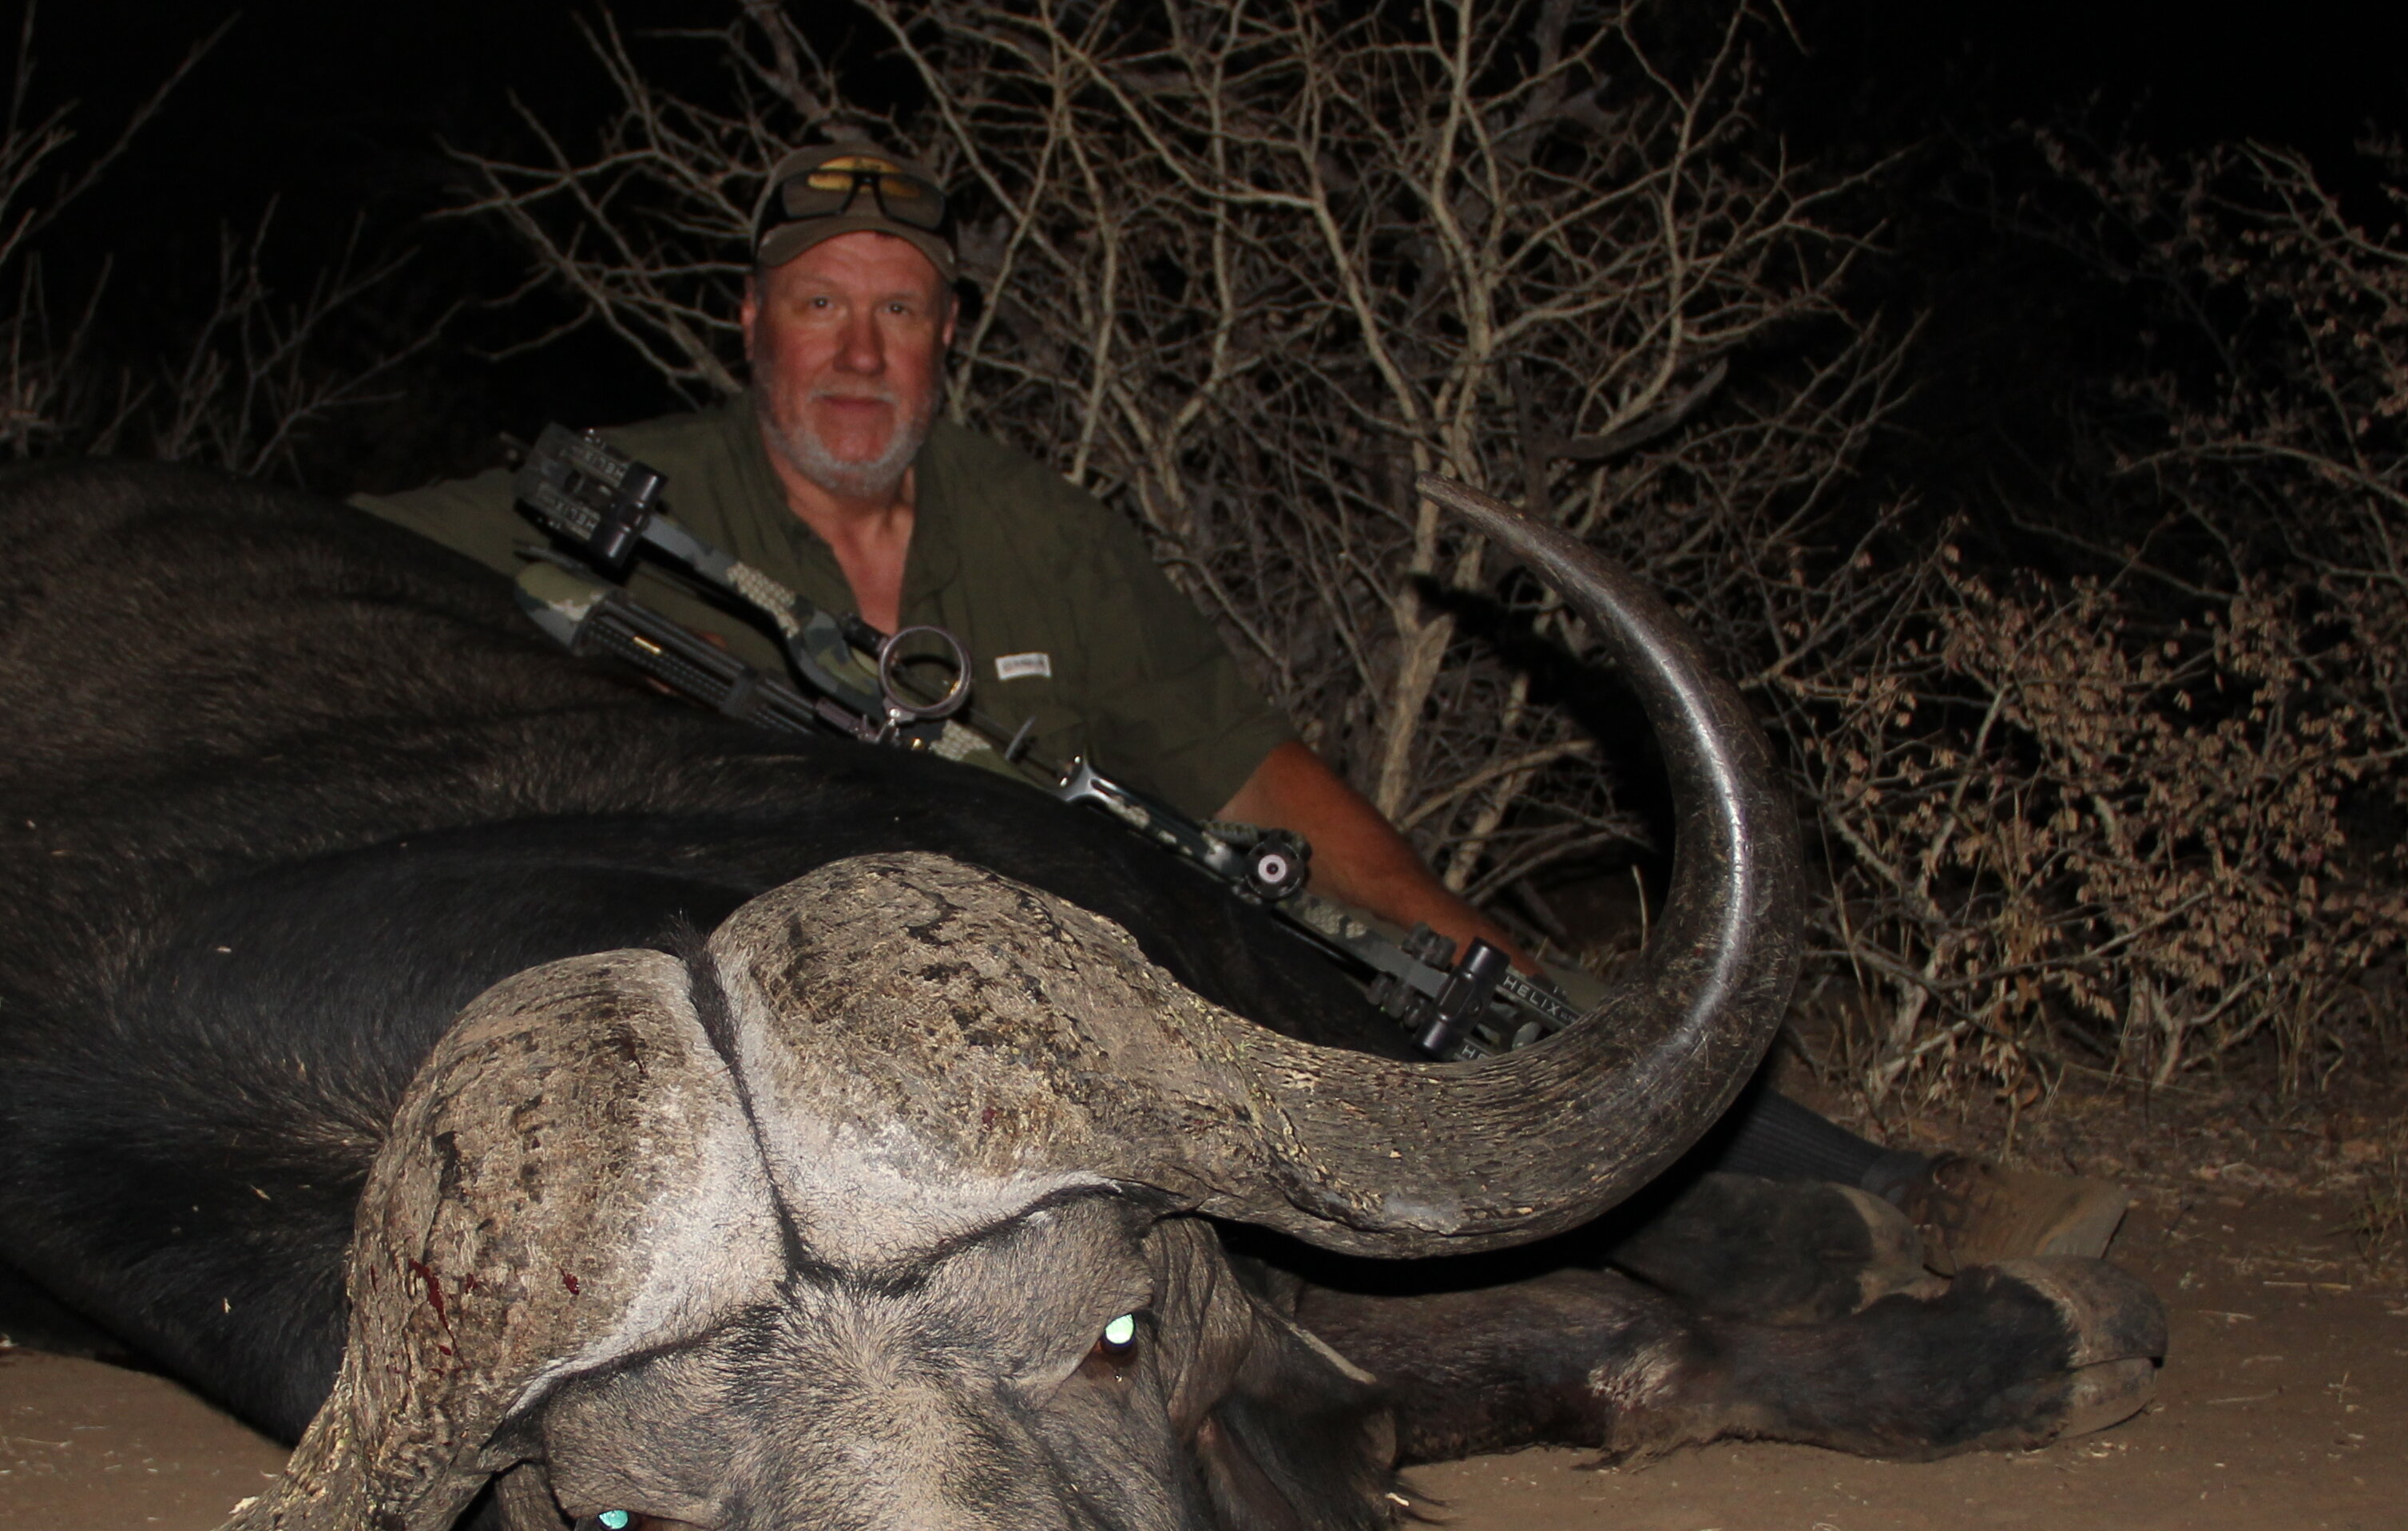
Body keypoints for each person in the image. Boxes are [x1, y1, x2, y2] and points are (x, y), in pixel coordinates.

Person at [359, 142, 2122, 1267]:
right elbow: (310, 574)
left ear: (947, 335)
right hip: (798, 1029)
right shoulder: (609, 501)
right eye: (821, 307)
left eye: (899, 312)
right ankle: (1786, 1253)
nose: (859, 353)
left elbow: (1250, 774)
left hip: (1098, 978)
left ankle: (1894, 1195)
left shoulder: (1042, 537)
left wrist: (1462, 950)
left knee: (1470, 1018)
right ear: (752, 326)